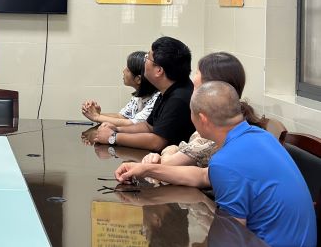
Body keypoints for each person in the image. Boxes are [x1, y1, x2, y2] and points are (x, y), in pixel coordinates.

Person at [114, 81, 317, 247]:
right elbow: (203, 175)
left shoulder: (227, 161)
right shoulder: (260, 136)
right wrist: (147, 169)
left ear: (202, 119)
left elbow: (230, 237)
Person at [141, 52, 265, 167]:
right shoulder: (235, 121)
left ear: (211, 91)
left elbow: (168, 164)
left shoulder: (216, 131)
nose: (191, 94)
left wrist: (170, 149)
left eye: (195, 88)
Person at [94, 36, 195, 151]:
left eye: (147, 57)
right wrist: (117, 129)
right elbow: (148, 126)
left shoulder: (179, 98)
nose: (144, 60)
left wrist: (113, 137)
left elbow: (157, 142)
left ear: (159, 70)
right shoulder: (168, 89)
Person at [82, 50, 159, 127]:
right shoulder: (138, 96)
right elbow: (122, 116)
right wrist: (96, 113)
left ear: (138, 79)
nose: (123, 71)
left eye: (128, 70)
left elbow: (133, 124)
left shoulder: (156, 99)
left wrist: (96, 117)